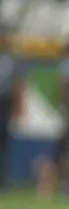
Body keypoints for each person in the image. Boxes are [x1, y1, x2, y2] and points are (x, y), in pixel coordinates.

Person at [0, 25, 26, 190]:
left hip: (4, 103)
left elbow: (18, 86)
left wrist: (18, 108)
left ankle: (2, 179)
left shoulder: (11, 60)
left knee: (3, 143)